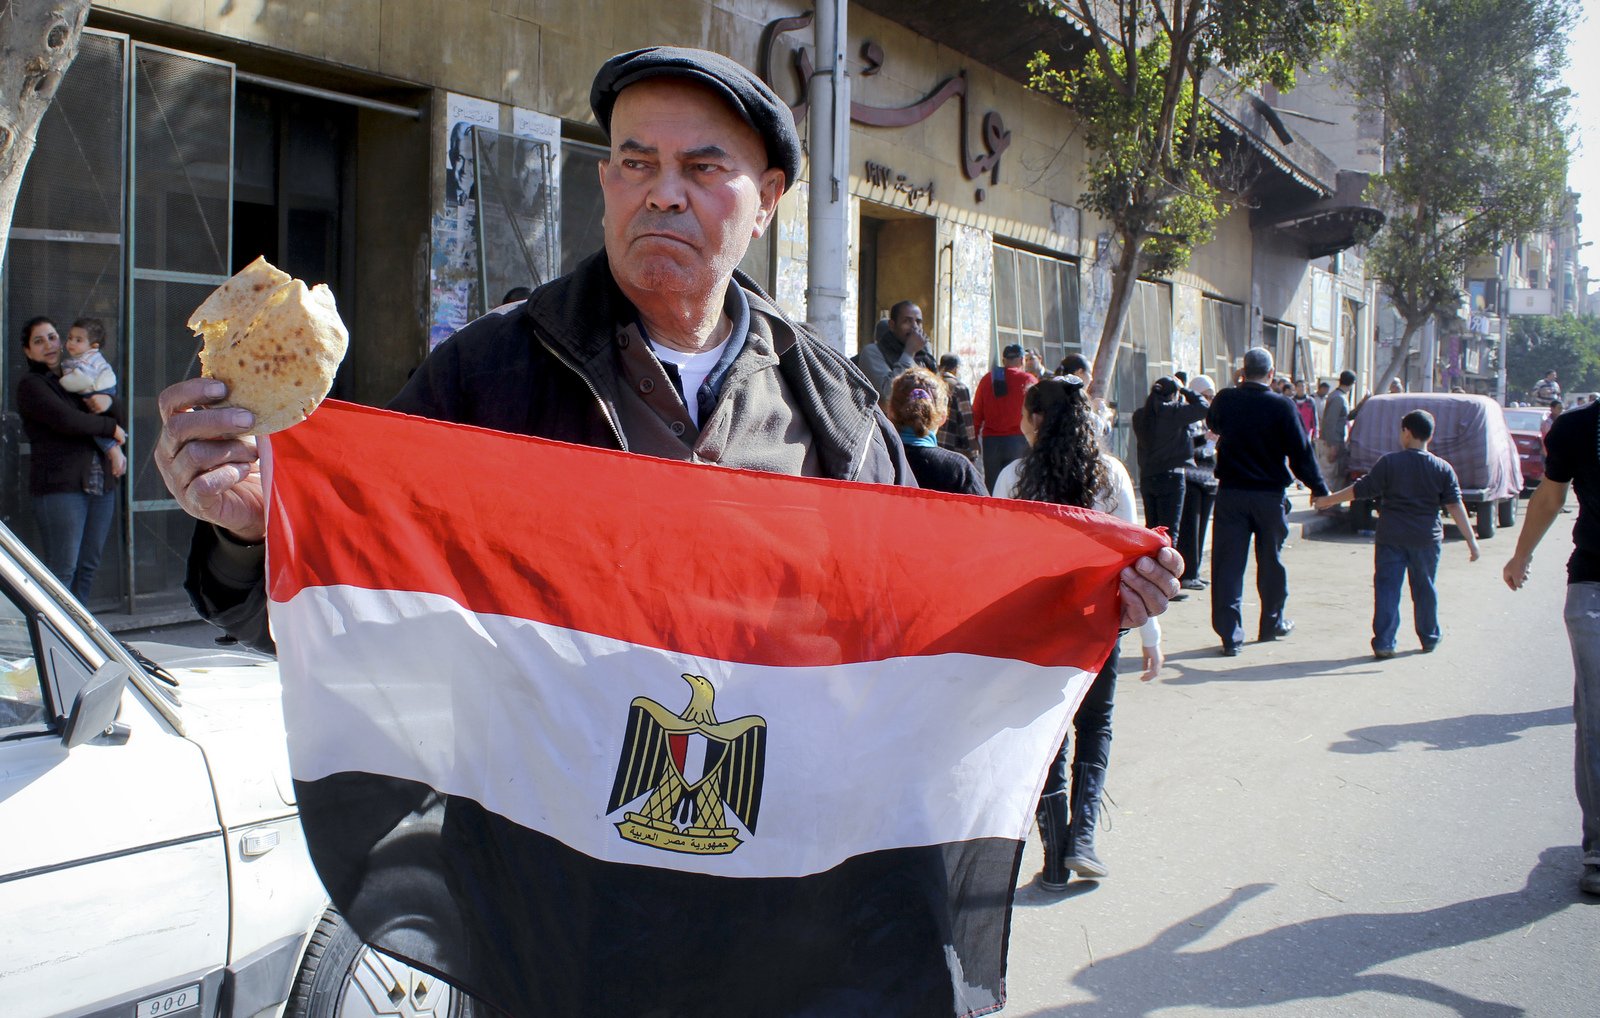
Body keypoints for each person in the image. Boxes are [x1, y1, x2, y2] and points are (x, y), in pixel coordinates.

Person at [152, 47, 1185, 999]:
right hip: (556, 917)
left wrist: (1075, 598)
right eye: (635, 162)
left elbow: (899, 647)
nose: (663, 192)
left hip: (773, 920)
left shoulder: (829, 405)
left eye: (703, 167)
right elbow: (352, 604)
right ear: (604, 181)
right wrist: (253, 532)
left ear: (769, 201)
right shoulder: (485, 378)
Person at [992, 375, 1162, 890]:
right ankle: (1084, 839)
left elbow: (1000, 563)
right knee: (1096, 725)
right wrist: (1151, 634)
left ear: (1036, 420)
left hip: (1037, 627)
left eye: (1025, 415)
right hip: (1099, 621)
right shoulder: (1110, 475)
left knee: (1047, 735)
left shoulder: (1013, 478)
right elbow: (1135, 561)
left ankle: (1056, 856)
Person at [1502, 395, 1600, 896]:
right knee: (1596, 715)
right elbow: (1549, 496)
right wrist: (1521, 555)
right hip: (1593, 586)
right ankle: (1599, 847)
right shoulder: (1578, 429)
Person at [1314, 410, 1479, 657]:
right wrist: (1472, 542)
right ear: (1429, 436)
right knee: (1425, 588)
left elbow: (1361, 490)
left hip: (1391, 537)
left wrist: (1328, 500)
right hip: (1426, 540)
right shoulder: (1443, 469)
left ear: (1407, 432)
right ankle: (1429, 637)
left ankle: (1384, 642)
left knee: (1387, 589)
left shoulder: (1390, 463)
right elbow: (1455, 506)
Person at [1206, 347, 1329, 655]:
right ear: (1272, 375)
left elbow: (1214, 424)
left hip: (1231, 494)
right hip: (1269, 497)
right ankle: (1271, 624)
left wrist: (1236, 388)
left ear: (1242, 372)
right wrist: (1319, 489)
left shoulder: (1226, 399)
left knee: (1227, 566)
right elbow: (1301, 454)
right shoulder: (1283, 406)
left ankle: (1230, 636)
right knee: (1271, 562)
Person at [16, 316, 127, 600]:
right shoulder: (32, 385)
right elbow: (67, 420)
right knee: (62, 569)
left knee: (88, 566)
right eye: (38, 341)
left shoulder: (77, 376)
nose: (49, 345)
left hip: (100, 485)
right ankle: (55, 638)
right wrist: (110, 429)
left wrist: (110, 403)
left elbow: (119, 413)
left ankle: (82, 638)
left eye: (52, 337)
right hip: (60, 489)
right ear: (28, 351)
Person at [1129, 376, 1209, 549]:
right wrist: (1185, 389)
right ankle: (1167, 572)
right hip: (1171, 477)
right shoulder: (1174, 412)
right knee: (1169, 533)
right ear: (1173, 394)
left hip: (1148, 477)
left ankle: (1149, 570)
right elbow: (1204, 407)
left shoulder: (1140, 415)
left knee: (1151, 530)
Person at [886, 368, 985, 495]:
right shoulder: (959, 471)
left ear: (890, 412)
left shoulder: (875, 462)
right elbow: (988, 513)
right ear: (943, 417)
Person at [57, 317, 125, 477]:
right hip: (102, 392)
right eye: (70, 338)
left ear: (93, 346)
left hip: (97, 391)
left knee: (97, 426)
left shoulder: (87, 359)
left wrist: (64, 382)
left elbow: (81, 380)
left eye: (78, 340)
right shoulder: (82, 358)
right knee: (100, 423)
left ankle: (112, 450)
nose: (71, 343)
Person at [972, 342, 1036, 491]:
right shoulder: (1028, 380)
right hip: (1019, 441)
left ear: (1004, 361)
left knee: (993, 487)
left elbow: (976, 412)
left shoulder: (987, 380)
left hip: (991, 443)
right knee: (1018, 486)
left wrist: (974, 439)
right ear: (1022, 360)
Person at [1176, 374, 1219, 591]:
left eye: (1211, 396)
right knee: (1190, 530)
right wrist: (1207, 439)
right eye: (1205, 396)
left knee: (1201, 530)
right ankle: (1187, 573)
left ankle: (1196, 571)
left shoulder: (1206, 419)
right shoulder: (1188, 417)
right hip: (1192, 479)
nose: (1209, 401)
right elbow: (1188, 447)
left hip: (1208, 480)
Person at [856, 300, 933, 403]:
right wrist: (909, 353)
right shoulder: (872, 352)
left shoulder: (922, 354)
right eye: (907, 321)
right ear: (892, 325)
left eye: (918, 322)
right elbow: (887, 395)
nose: (915, 327)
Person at [935, 352, 981, 467]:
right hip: (952, 448)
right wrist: (972, 449)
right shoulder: (959, 388)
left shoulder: (931, 384)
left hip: (932, 444)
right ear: (956, 369)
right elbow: (967, 422)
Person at [1319, 369, 1356, 488]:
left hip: (1337, 440)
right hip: (1333, 442)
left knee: (1336, 474)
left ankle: (1331, 504)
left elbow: (1347, 416)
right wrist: (1332, 445)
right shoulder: (1338, 398)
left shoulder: (1339, 396)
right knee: (1330, 474)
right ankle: (1326, 505)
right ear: (1352, 383)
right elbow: (1330, 422)